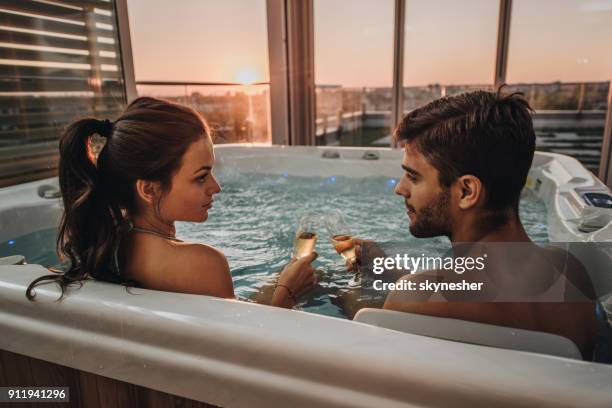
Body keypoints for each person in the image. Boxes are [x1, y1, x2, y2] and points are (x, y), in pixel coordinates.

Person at [355, 90, 602, 359]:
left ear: (466, 192)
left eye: (413, 178)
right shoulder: (573, 274)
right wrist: (386, 268)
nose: (400, 189)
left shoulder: (412, 298)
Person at [26, 97, 316, 308]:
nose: (216, 187)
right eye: (201, 177)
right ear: (149, 189)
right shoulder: (203, 263)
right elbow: (248, 353)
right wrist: (287, 291)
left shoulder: (105, 246)